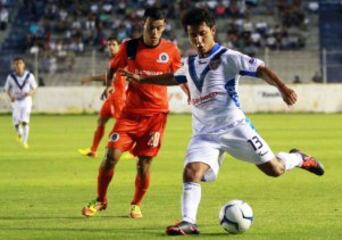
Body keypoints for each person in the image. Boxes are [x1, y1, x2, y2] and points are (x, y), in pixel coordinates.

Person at [119, 8, 325, 235]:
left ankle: (298, 157)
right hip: (204, 134)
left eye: (202, 34)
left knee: (275, 169)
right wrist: (143, 78)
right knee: (191, 172)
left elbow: (261, 68)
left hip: (236, 128)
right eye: (192, 35)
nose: (197, 40)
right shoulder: (189, 64)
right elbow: (173, 77)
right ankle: (188, 222)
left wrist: (282, 88)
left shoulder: (229, 57)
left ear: (213, 31)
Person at [81, 7, 186, 219]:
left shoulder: (171, 51)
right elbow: (113, 66)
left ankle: (136, 203)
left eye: (159, 28)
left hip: (156, 117)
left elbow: (178, 77)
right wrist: (110, 84)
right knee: (110, 156)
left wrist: (188, 91)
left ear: (163, 27)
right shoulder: (129, 48)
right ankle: (101, 200)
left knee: (144, 164)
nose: (154, 32)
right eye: (150, 27)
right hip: (129, 115)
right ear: (143, 25)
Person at [78, 37, 127, 158]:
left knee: (122, 125)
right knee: (101, 120)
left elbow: (116, 78)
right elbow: (109, 78)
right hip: (110, 96)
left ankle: (131, 151)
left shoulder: (121, 59)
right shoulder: (112, 60)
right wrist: (105, 87)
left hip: (118, 98)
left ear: (119, 46)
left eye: (113, 44)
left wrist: (91, 78)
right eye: (109, 45)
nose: (110, 47)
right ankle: (93, 150)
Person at [4, 57, 37, 149]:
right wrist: (11, 97)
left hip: (26, 100)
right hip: (16, 101)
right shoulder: (11, 77)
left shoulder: (29, 76)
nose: (18, 65)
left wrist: (30, 93)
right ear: (14, 66)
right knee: (16, 122)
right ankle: (19, 133)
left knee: (25, 121)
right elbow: (6, 89)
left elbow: (34, 88)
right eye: (16, 64)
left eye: (20, 63)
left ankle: (25, 142)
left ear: (24, 65)